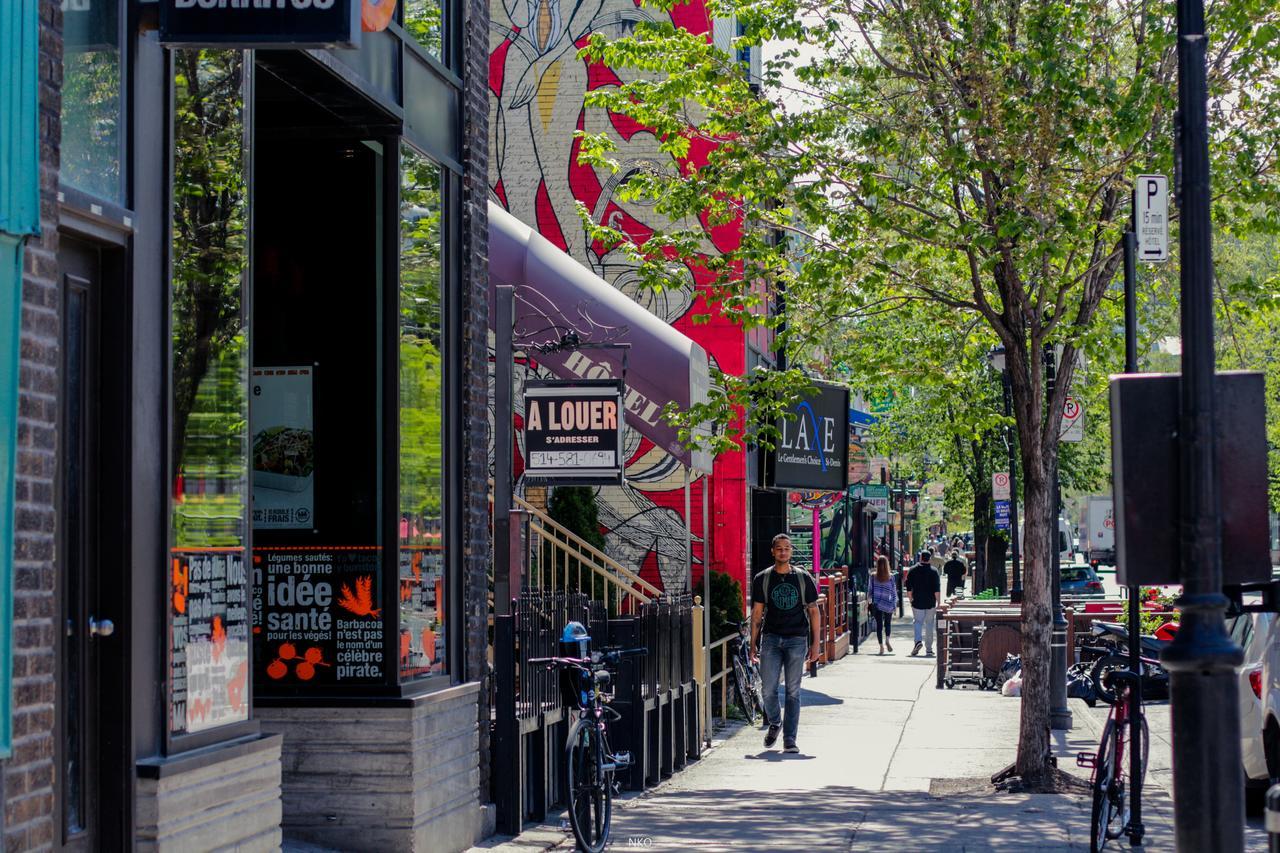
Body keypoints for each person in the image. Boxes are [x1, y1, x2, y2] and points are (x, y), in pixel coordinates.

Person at [750, 533, 820, 754]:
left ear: (791, 551)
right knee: (768, 689)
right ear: (773, 551)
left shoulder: (802, 578)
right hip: (770, 638)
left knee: (793, 691)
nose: (783, 552)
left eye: (787, 548)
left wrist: (816, 644)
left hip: (797, 639)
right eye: (779, 548)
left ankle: (790, 738)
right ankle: (775, 722)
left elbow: (814, 611)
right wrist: (753, 643)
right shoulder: (762, 578)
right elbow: (757, 613)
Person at [904, 550, 941, 657]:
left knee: (917, 622)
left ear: (920, 558)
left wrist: (911, 599)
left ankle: (918, 641)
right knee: (929, 624)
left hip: (917, 601)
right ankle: (929, 649)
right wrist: (939, 602)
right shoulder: (934, 572)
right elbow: (936, 590)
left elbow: (909, 588)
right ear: (929, 559)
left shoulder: (912, 570)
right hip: (930, 602)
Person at [869, 555, 897, 654]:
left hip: (877, 604)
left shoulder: (873, 576)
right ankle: (887, 640)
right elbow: (894, 592)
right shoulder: (891, 577)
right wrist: (894, 605)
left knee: (879, 626)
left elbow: (870, 591)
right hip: (888, 603)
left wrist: (868, 601)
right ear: (887, 565)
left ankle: (881, 647)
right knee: (888, 624)